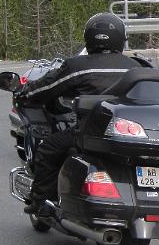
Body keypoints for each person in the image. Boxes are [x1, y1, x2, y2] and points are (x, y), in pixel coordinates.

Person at [17, 12, 143, 214]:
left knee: (48, 149)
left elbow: (47, 87)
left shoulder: (78, 66)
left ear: (89, 38)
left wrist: (26, 92)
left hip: (91, 133)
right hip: (132, 135)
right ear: (121, 38)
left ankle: (41, 202)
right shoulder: (137, 67)